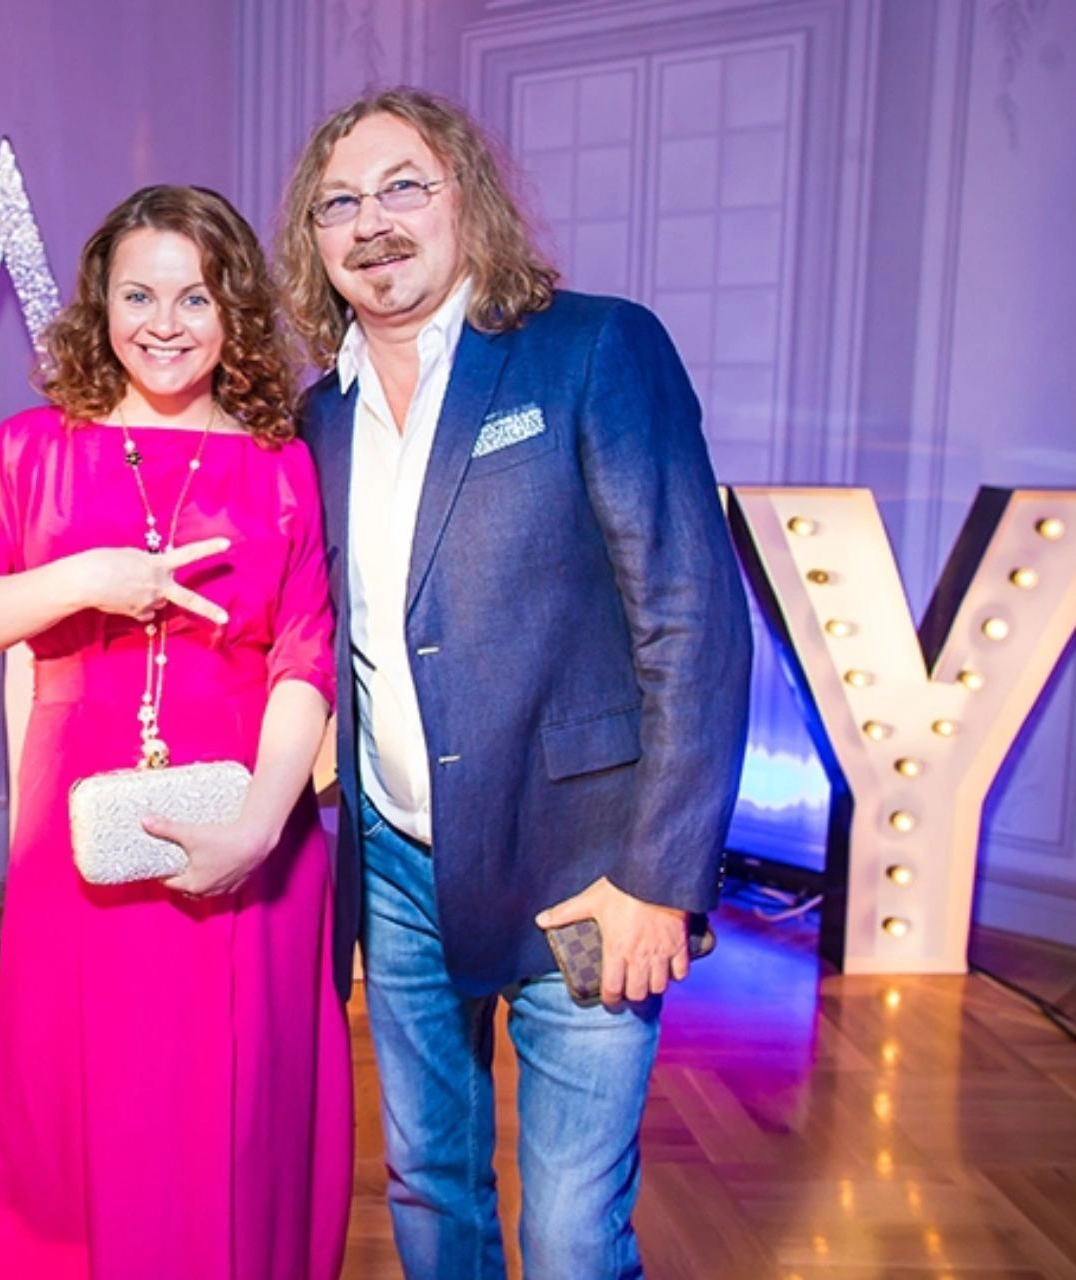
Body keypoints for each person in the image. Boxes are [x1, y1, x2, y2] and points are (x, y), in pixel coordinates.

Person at [278, 88, 752, 1278]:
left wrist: (659, 878)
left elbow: (693, 620)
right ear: (315, 238)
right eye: (340, 202)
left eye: (403, 186)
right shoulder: (319, 415)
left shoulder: (593, 348)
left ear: (467, 199)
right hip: (397, 869)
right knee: (428, 1185)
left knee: (571, 1230)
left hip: (585, 868)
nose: (372, 222)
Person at [0, 184, 351, 1279]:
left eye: (196, 296)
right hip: (77, 834)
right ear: (99, 304)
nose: (165, 323)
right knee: (87, 1101)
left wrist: (258, 827)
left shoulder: (281, 461)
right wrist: (82, 580)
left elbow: (305, 654)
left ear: (235, 308)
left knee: (236, 1113)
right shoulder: (32, 452)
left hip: (251, 821)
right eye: (138, 294)